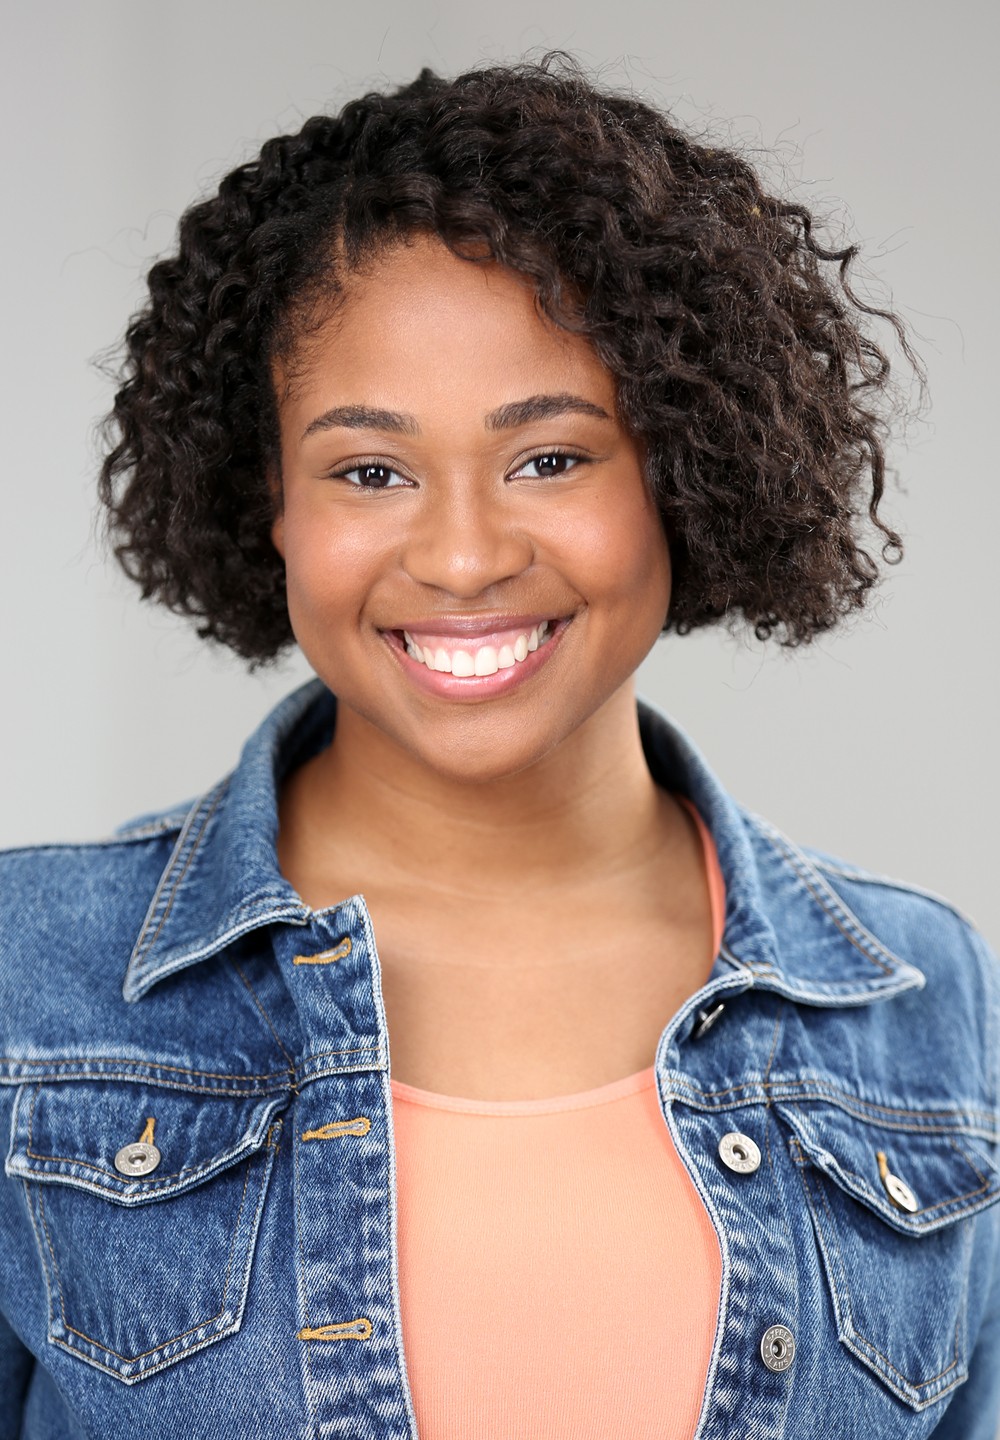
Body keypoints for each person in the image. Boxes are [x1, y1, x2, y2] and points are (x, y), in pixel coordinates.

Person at [0, 52, 997, 1440]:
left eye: (550, 459)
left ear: (683, 469)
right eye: (370, 471)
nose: (464, 555)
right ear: (270, 501)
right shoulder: (30, 985)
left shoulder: (928, 1004)